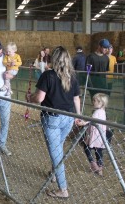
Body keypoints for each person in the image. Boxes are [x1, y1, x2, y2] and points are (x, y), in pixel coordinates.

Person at [29, 46, 81, 199]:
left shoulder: (48, 75)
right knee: (58, 147)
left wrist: (30, 97)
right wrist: (78, 116)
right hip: (68, 117)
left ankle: (63, 189)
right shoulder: (72, 76)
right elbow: (76, 98)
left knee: (56, 152)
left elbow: (39, 98)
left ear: (54, 59)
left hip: (52, 118)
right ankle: (53, 173)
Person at [76, 93, 109, 176]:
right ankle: (100, 168)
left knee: (86, 148)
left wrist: (83, 123)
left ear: (101, 103)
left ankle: (93, 164)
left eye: (95, 101)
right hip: (100, 135)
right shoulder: (103, 111)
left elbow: (92, 120)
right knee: (99, 151)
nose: (93, 102)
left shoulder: (97, 112)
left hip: (94, 135)